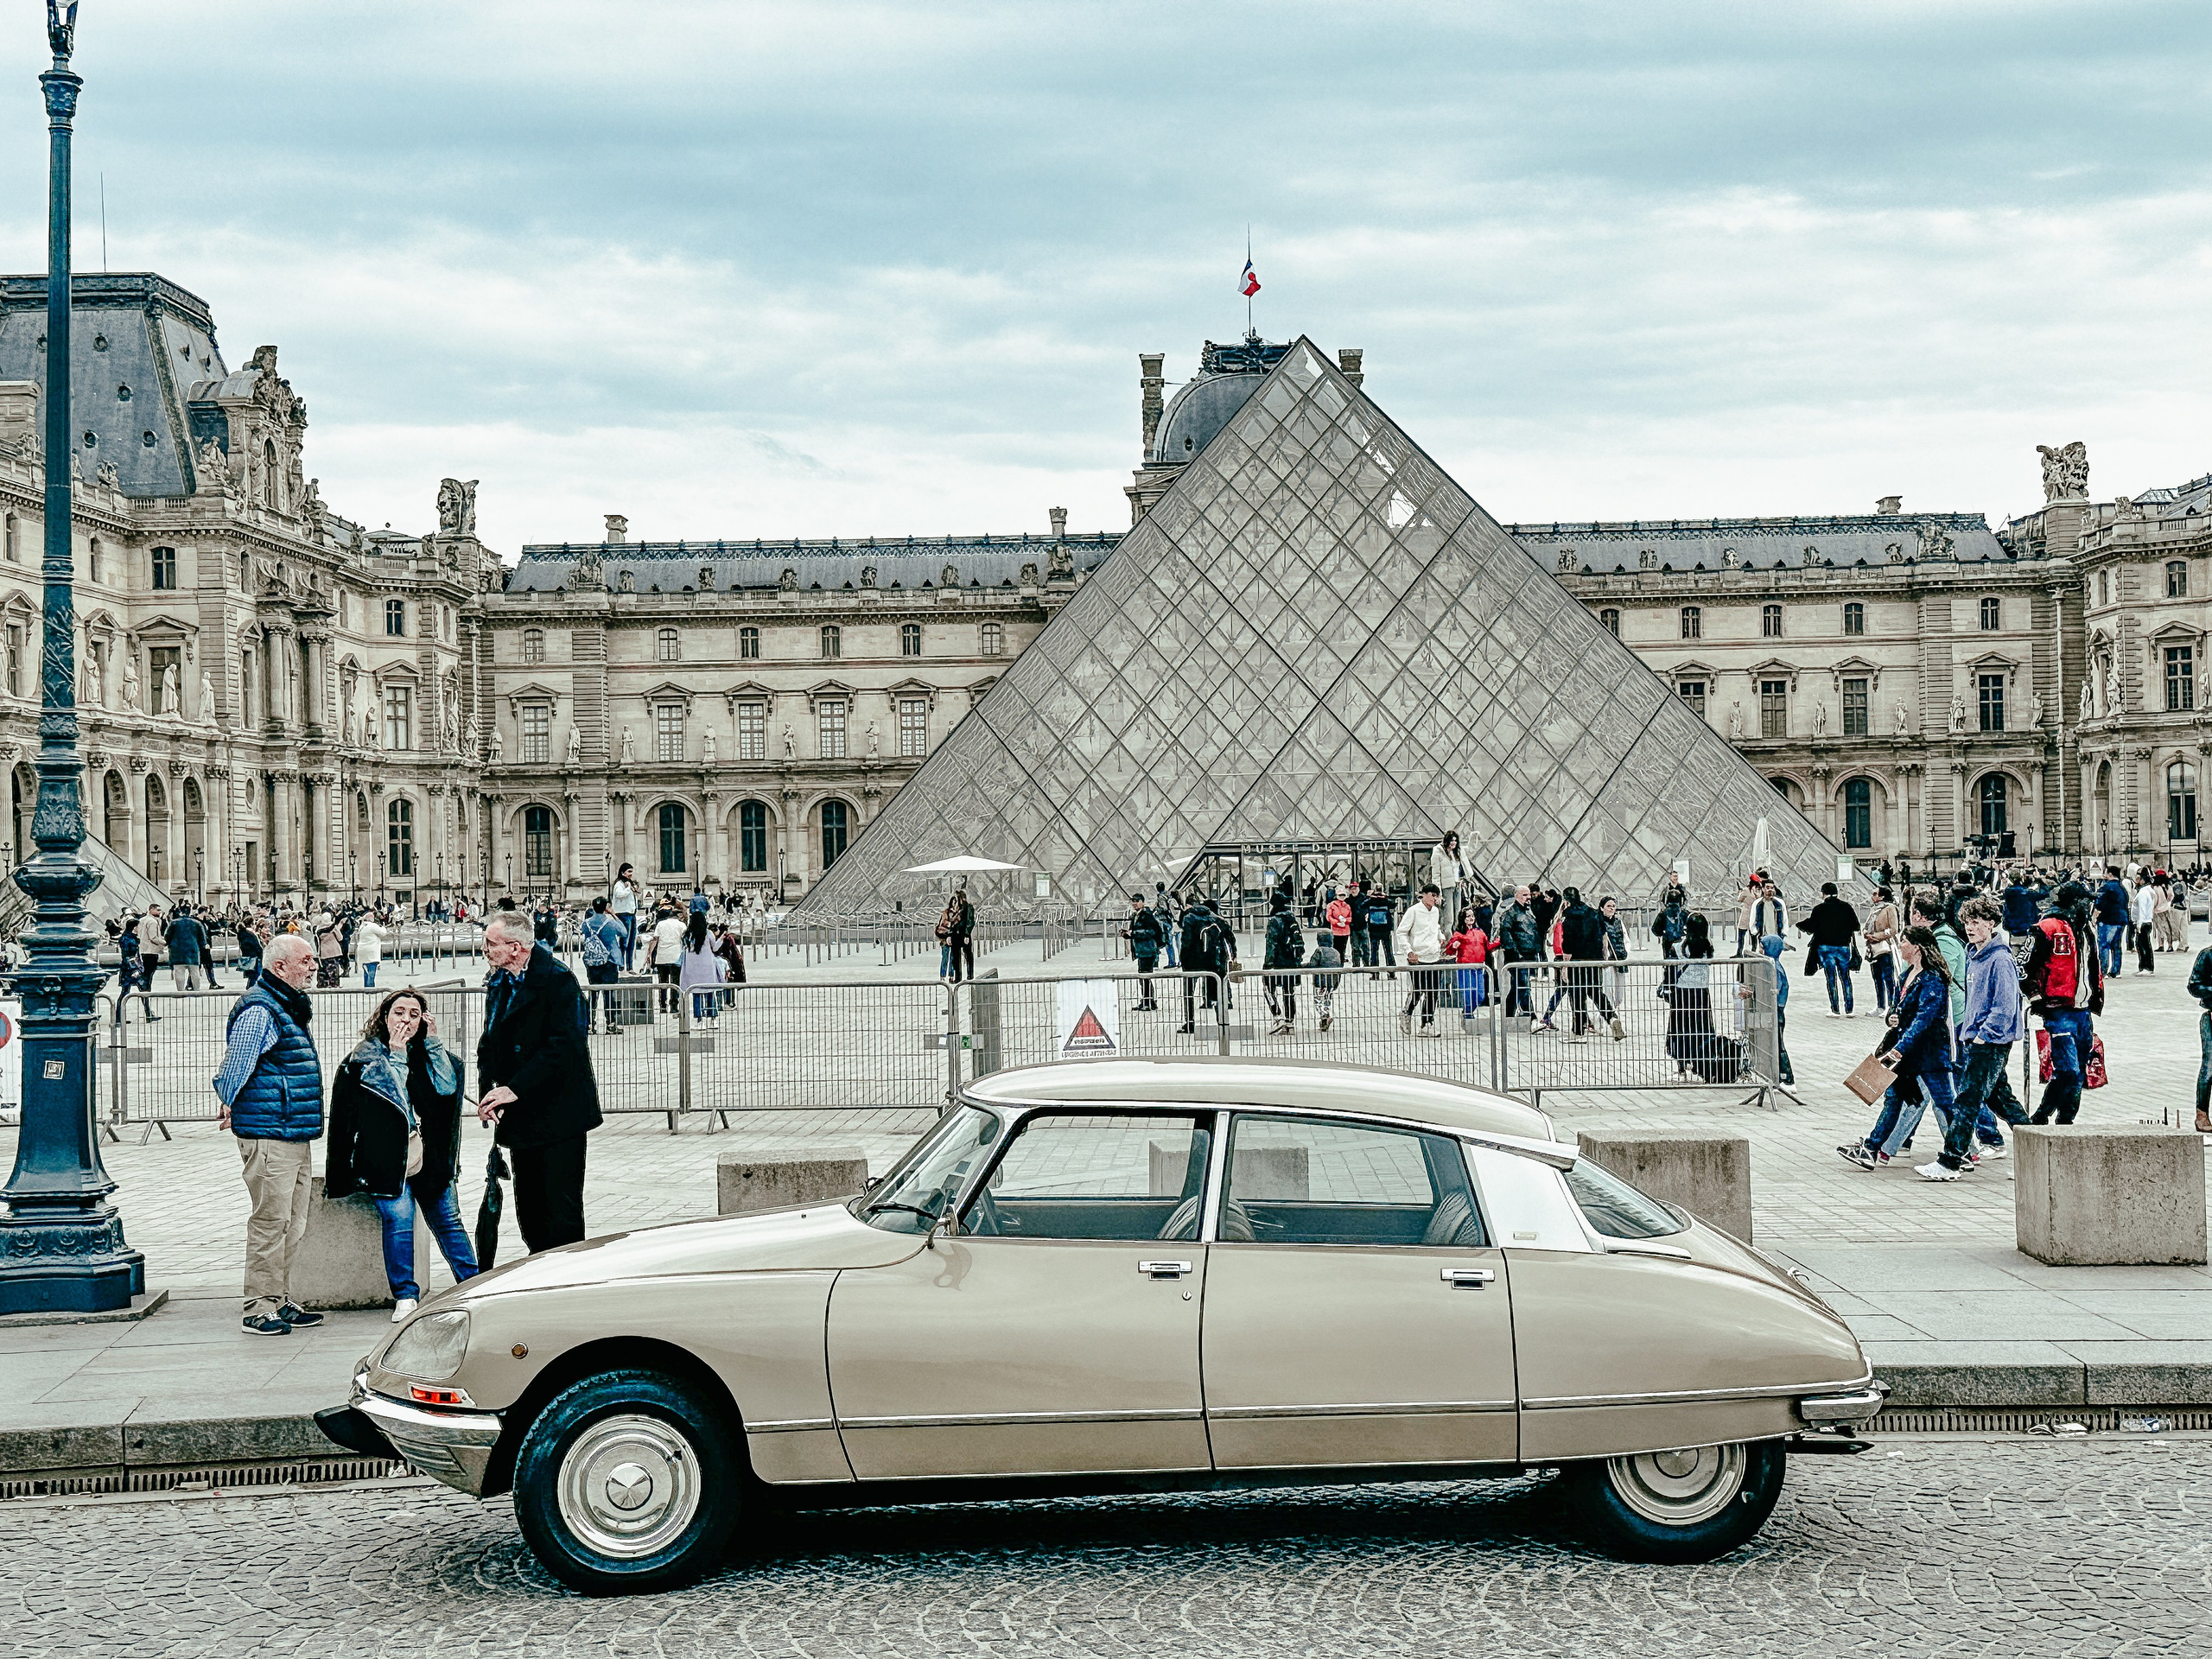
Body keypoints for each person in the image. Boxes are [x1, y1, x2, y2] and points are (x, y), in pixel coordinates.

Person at [325, 988, 480, 1320]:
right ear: (384, 1017)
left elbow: (447, 1088)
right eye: (399, 1012)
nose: (406, 1020)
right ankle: (405, 1296)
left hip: (429, 1157)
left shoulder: (428, 1052)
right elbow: (357, 1111)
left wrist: (433, 1043)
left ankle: (474, 1286)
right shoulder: (364, 1059)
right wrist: (396, 1054)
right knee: (399, 1220)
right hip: (383, 1159)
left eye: (414, 1014)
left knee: (449, 1222)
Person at [211, 934, 325, 1336]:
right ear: (280, 967)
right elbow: (234, 1068)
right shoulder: (261, 1009)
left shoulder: (285, 1005)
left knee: (293, 1223)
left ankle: (278, 1298)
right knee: (270, 1222)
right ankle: (258, 1306)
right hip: (269, 1132)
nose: (313, 966)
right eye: (306, 960)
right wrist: (230, 1100)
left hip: (291, 1130)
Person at [476, 911, 602, 1253]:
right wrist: (487, 1092)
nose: (485, 949)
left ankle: (568, 1276)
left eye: (491, 943)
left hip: (558, 1114)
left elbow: (565, 1046)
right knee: (530, 1211)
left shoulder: (558, 980)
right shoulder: (500, 981)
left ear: (516, 947)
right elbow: (489, 1042)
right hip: (521, 1115)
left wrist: (514, 1088)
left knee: (560, 1212)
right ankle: (539, 1266)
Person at [1920, 896, 2031, 1180]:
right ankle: (2039, 1153)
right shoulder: (1974, 956)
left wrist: (1984, 1036)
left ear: (1991, 924)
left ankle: (1950, 1161)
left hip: (1990, 1043)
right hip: (1975, 1039)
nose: (1970, 927)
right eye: (1967, 922)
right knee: (2002, 1101)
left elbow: (2005, 1005)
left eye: (1977, 922)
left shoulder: (2000, 959)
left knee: (1967, 1100)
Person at [2025, 880, 2103, 1126]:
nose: (2089, 905)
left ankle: (2064, 1119)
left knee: (2077, 1070)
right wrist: (2035, 997)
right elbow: (2024, 966)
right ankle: (2044, 1114)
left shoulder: (2085, 929)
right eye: (2086, 900)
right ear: (2073, 902)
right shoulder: (2047, 928)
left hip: (2083, 1010)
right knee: (2069, 1069)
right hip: (2058, 1009)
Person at [1796, 881, 1862, 1016]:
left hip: (1825, 948)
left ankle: (1835, 1009)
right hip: (1843, 947)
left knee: (1831, 978)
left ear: (1823, 894)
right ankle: (1849, 1009)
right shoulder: (1846, 907)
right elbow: (1856, 926)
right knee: (1845, 977)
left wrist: (1800, 924)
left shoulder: (1819, 909)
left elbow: (1811, 926)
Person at [1662, 913, 1717, 1077]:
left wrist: (1667, 988)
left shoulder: (1678, 948)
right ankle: (1699, 1064)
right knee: (1701, 1029)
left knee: (1681, 1029)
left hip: (1682, 993)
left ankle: (1681, 1066)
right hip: (1701, 993)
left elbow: (1670, 971)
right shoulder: (1708, 948)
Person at [1395, 883, 1446, 1036]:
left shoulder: (1435, 911)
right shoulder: (1413, 911)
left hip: (1434, 956)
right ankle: (1406, 1013)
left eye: (1437, 896)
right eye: (1432, 895)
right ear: (1424, 895)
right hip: (1417, 957)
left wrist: (1440, 937)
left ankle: (1427, 1023)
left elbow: (1436, 927)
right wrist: (1408, 951)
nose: (1435, 899)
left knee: (1433, 992)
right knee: (1418, 990)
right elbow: (1401, 932)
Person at [1176, 897, 1232, 1033]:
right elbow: (1230, 937)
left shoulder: (1189, 919)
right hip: (1213, 962)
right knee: (1217, 993)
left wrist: (1183, 960)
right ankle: (1222, 1022)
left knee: (1189, 993)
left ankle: (1190, 1023)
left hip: (1192, 962)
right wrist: (1232, 955)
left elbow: (1186, 942)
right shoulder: (1216, 918)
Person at [1494, 884, 1541, 1020]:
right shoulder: (1510, 913)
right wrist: (1515, 953)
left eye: (1529, 895)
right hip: (1518, 957)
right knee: (1523, 986)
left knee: (1518, 987)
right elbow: (1505, 934)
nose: (1528, 897)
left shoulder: (1528, 912)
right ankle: (1530, 1016)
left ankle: (1509, 1016)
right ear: (1516, 896)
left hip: (1527, 955)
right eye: (1525, 895)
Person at [580, 895, 625, 1031]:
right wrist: (613, 914)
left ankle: (590, 1023)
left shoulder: (586, 923)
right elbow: (624, 932)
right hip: (609, 960)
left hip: (592, 960)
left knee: (593, 992)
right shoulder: (610, 923)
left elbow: (583, 933)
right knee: (609, 993)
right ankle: (610, 1024)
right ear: (606, 908)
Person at [1262, 890, 1305, 1035]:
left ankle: (1278, 1016)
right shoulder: (1292, 919)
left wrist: (1268, 964)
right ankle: (1290, 1022)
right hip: (1292, 962)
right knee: (1289, 992)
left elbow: (1271, 944)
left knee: (1268, 989)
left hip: (1277, 962)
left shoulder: (1274, 921)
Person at [677, 911, 726, 1022]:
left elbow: (683, 947)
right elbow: (715, 948)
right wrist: (721, 939)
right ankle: (712, 1018)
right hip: (707, 967)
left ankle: (700, 1020)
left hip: (692, 968)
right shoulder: (708, 933)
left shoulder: (687, 935)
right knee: (709, 992)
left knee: (696, 993)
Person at [1446, 909, 1489, 1023]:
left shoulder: (1480, 932)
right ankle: (1468, 1014)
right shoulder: (1459, 934)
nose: (1471, 918)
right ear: (1463, 919)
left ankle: (1467, 1012)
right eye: (1468, 916)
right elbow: (1449, 950)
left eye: (1472, 916)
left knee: (1480, 995)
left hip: (1478, 967)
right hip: (1465, 967)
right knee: (1468, 994)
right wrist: (1454, 946)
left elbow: (1488, 946)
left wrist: (1499, 942)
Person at [1862, 886, 1902, 1011]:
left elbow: (1894, 929)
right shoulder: (1874, 909)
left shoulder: (1890, 908)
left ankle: (1891, 1005)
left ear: (1882, 896)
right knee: (1877, 977)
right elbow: (1868, 925)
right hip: (1873, 947)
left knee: (1888, 977)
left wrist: (1876, 936)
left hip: (1885, 947)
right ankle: (1880, 1005)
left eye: (1875, 893)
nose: (1872, 896)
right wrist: (1866, 933)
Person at [2189, 928, 2212, 1134]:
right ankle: (2202, 1114)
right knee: (2209, 1067)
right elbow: (2194, 985)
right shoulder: (2207, 955)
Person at [1127, 892, 1166, 1011]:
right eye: (1133, 902)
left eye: (1137, 901)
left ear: (1142, 902)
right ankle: (1148, 1001)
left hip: (1148, 950)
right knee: (1144, 977)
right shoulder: (1136, 916)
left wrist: (1134, 933)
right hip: (1142, 951)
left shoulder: (1147, 916)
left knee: (1145, 976)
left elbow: (1151, 931)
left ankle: (1148, 1002)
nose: (1134, 904)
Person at [645, 903, 686, 1014]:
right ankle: (674, 1006)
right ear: (678, 916)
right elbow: (685, 940)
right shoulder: (681, 925)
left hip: (662, 957)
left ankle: (662, 1005)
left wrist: (649, 954)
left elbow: (655, 940)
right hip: (676, 957)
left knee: (663, 983)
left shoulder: (660, 924)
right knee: (675, 983)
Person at [2094, 867, 2130, 978]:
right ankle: (2116, 970)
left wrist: (2095, 916)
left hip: (2107, 919)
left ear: (2110, 874)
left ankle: (2103, 970)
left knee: (2104, 945)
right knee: (2116, 946)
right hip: (2121, 920)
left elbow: (2099, 903)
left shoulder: (2106, 888)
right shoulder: (2122, 888)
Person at [168, 903, 208, 993]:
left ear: (180, 912)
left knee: (179, 972)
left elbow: (167, 936)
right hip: (193, 950)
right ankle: (196, 990)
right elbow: (202, 938)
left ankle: (180, 991)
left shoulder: (174, 923)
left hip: (177, 951)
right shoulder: (197, 923)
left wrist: (169, 944)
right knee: (195, 972)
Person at [1308, 930, 1343, 1033]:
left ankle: (1325, 1017)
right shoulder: (1336, 952)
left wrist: (1302, 966)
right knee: (1327, 1000)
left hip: (1320, 982)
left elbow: (1312, 965)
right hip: (1332, 982)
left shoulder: (1319, 951)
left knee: (1318, 1001)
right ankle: (1324, 1022)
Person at [610, 863, 639, 969]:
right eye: (629, 872)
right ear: (623, 873)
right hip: (624, 914)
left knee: (631, 942)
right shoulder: (619, 884)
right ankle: (621, 966)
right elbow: (619, 895)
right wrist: (628, 888)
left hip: (631, 914)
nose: (631, 874)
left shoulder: (628, 883)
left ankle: (630, 967)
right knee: (624, 942)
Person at [945, 887, 976, 984]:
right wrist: (950, 934)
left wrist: (967, 934)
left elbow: (970, 921)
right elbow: (950, 923)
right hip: (955, 935)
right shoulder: (954, 909)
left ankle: (970, 975)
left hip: (964, 934)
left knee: (968, 955)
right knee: (956, 957)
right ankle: (958, 977)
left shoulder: (968, 908)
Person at [1363, 885, 1395, 972]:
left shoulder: (1371, 901)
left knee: (1374, 952)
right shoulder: (1386, 900)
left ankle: (1374, 974)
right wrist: (1385, 896)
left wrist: (1371, 896)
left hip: (1373, 929)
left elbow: (1363, 905)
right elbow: (1393, 905)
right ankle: (1391, 973)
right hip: (1385, 930)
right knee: (1389, 952)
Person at [2133, 874, 2159, 974]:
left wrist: (2139, 924)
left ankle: (2146, 967)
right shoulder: (2148, 891)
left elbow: (2142, 909)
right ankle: (2144, 966)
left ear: (2143, 881)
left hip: (2143, 922)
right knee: (2143, 944)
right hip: (2146, 921)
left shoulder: (2143, 893)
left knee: (2143, 945)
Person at [354, 910, 386, 988]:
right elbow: (383, 933)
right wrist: (382, 926)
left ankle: (366, 986)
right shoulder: (372, 926)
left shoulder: (362, 926)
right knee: (372, 969)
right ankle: (370, 986)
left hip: (362, 949)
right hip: (371, 950)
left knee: (366, 970)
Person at [315, 911, 346, 988]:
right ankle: (334, 983)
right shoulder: (333, 927)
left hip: (324, 950)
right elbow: (340, 938)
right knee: (334, 967)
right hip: (334, 950)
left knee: (324, 967)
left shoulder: (318, 928)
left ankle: (323, 982)